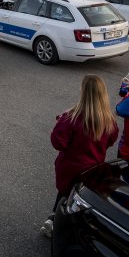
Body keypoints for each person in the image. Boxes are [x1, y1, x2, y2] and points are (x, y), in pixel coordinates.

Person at [41, 75, 119, 237]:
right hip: (93, 169)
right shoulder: (109, 120)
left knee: (65, 194)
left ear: (83, 93)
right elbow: (111, 140)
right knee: (83, 197)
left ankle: (56, 222)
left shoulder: (71, 118)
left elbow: (58, 143)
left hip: (70, 168)